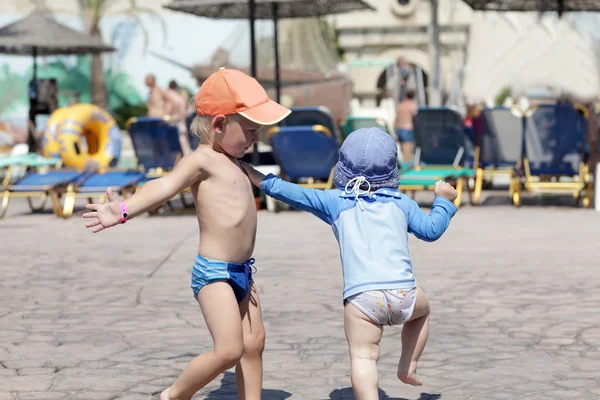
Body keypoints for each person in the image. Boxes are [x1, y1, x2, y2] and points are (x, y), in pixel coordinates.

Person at [82, 68, 291, 400]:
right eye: (251, 131)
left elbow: (274, 186)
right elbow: (163, 187)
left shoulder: (236, 162)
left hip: (243, 273)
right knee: (229, 350)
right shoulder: (202, 161)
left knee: (254, 344)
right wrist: (122, 210)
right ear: (220, 124)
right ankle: (174, 395)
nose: (256, 140)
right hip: (215, 273)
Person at [240, 127, 458, 400]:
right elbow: (431, 230)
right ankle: (408, 365)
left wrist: (248, 170)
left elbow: (288, 192)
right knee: (422, 312)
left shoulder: (335, 201)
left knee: (363, 356)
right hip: (404, 294)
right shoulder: (402, 203)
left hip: (362, 301)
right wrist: (443, 201)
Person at [167, 80, 192, 154]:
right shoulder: (180, 97)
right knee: (184, 147)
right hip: (181, 123)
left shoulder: (169, 96)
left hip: (172, 122)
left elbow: (169, 108)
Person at [394, 89, 418, 162]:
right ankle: (406, 171)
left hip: (399, 129)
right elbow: (416, 118)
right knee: (407, 153)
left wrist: (395, 130)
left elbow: (396, 119)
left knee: (401, 151)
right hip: (407, 129)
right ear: (413, 97)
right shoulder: (412, 105)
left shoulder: (400, 105)